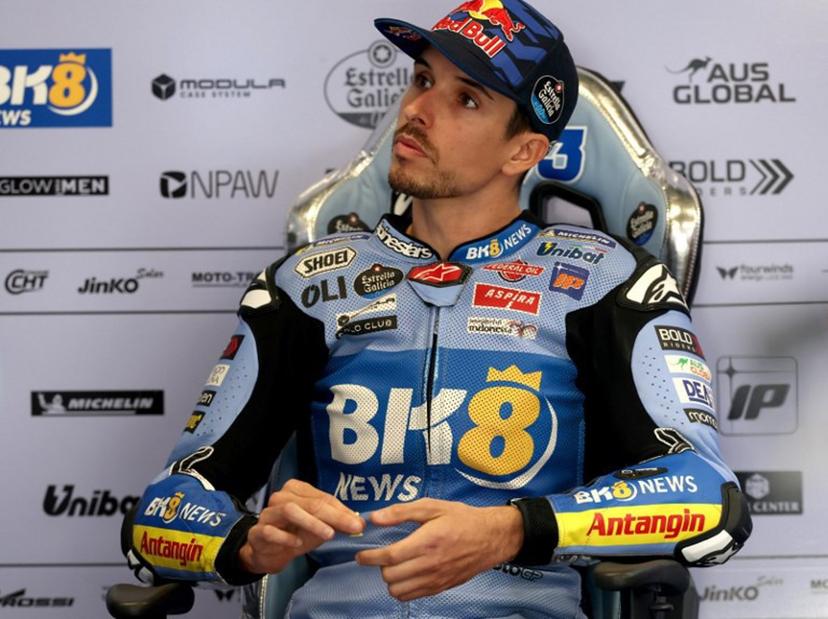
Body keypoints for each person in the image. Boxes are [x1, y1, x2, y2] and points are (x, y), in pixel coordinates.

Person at [122, 1, 751, 616]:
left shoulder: (607, 281)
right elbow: (158, 518)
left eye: (466, 99)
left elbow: (707, 498)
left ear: (523, 152)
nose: (417, 111)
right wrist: (246, 545)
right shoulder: (307, 285)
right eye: (422, 80)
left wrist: (513, 530)